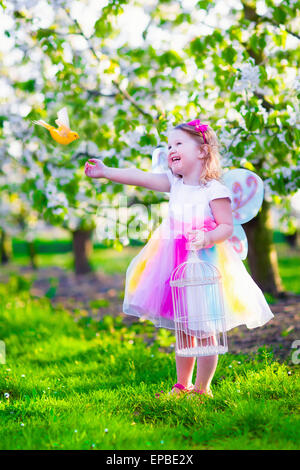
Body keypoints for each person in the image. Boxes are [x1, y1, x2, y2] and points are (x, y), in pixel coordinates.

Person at [84, 119, 274, 398]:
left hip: (204, 264)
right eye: (169, 144)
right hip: (172, 261)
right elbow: (139, 176)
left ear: (202, 151)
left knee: (205, 328)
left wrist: (208, 237)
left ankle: (202, 387)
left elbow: (226, 226)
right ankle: (182, 384)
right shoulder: (174, 182)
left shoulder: (214, 190)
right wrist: (105, 172)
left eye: (178, 144)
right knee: (183, 327)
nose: (171, 149)